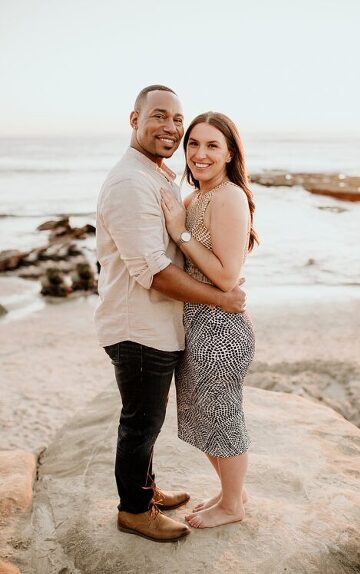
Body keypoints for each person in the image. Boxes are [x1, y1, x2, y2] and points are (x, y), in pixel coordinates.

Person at [96, 86, 247, 542]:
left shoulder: (161, 178)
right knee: (141, 422)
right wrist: (221, 298)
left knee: (151, 418)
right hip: (137, 325)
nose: (172, 128)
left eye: (177, 119)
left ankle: (148, 490)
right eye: (159, 116)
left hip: (165, 325)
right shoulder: (130, 183)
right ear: (134, 119)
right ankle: (135, 510)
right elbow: (153, 270)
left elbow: (202, 253)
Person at [160, 111, 258, 529]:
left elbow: (225, 276)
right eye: (194, 144)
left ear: (230, 152)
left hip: (222, 329)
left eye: (212, 145)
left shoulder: (228, 197)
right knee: (205, 418)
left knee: (223, 417)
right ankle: (228, 493)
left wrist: (180, 233)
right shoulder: (195, 198)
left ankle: (233, 506)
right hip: (196, 324)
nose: (200, 154)